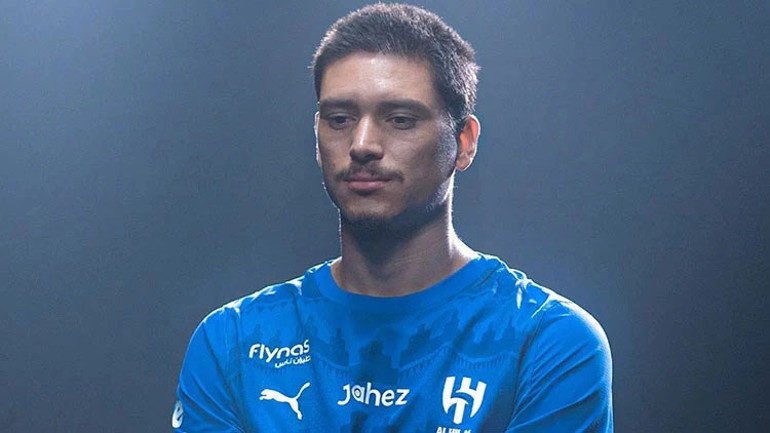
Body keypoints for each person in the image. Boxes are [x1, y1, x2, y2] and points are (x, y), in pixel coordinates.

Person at [172, 4, 613, 432]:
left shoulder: (548, 341)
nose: (362, 144)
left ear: (464, 142)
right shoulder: (233, 343)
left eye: (400, 119)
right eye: (340, 119)